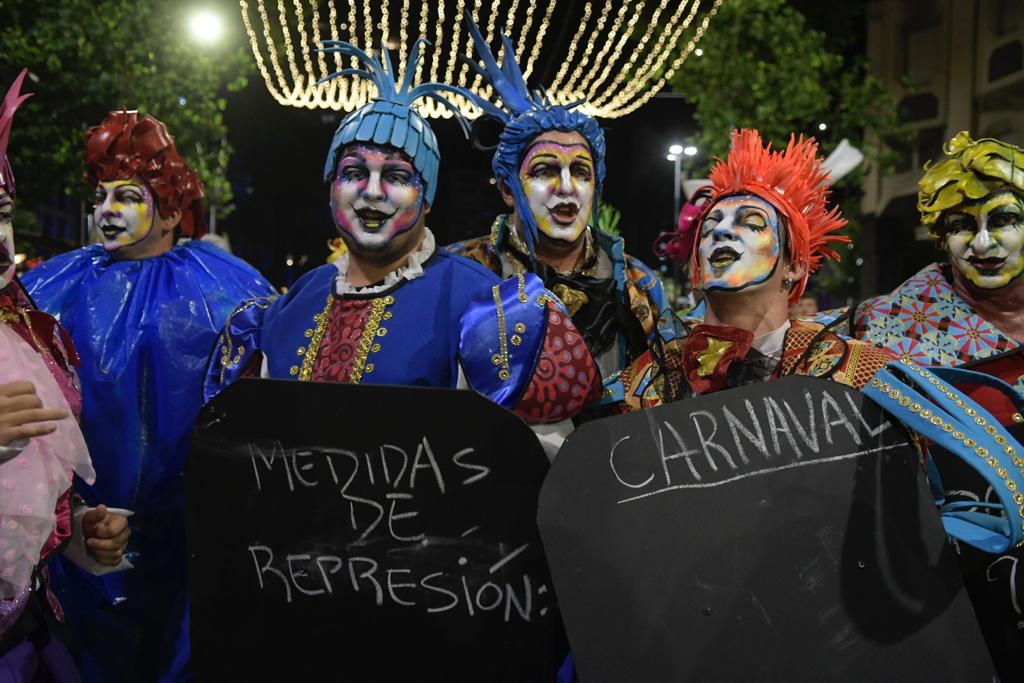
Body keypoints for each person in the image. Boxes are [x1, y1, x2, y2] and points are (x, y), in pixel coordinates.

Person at [205, 39, 599, 436]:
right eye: (355, 173)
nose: (372, 191)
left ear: (426, 199)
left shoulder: (482, 306)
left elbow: (533, 466)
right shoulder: (292, 304)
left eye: (396, 176)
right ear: (331, 188)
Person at [21, 110, 275, 681]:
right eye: (102, 195)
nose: (107, 211)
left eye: (128, 196)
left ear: (168, 208)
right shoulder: (55, 286)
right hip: (74, 548)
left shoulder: (223, 290)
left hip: (189, 551)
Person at [830, 131, 1024, 678]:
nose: (983, 243)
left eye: (1003, 219)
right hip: (958, 585)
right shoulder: (891, 328)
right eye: (963, 226)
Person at [605, 129, 895, 411]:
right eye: (709, 226)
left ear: (793, 266)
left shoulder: (856, 373)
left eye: (752, 222)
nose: (721, 230)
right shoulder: (647, 383)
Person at [446, 19, 666, 381]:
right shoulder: (460, 271)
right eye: (545, 171)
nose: (566, 187)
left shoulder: (637, 283)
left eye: (581, 173)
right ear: (506, 188)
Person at [0, 69, 130, 682]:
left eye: (2, 214)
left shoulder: (28, 332)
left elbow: (25, 502)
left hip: (32, 642)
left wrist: (76, 532)